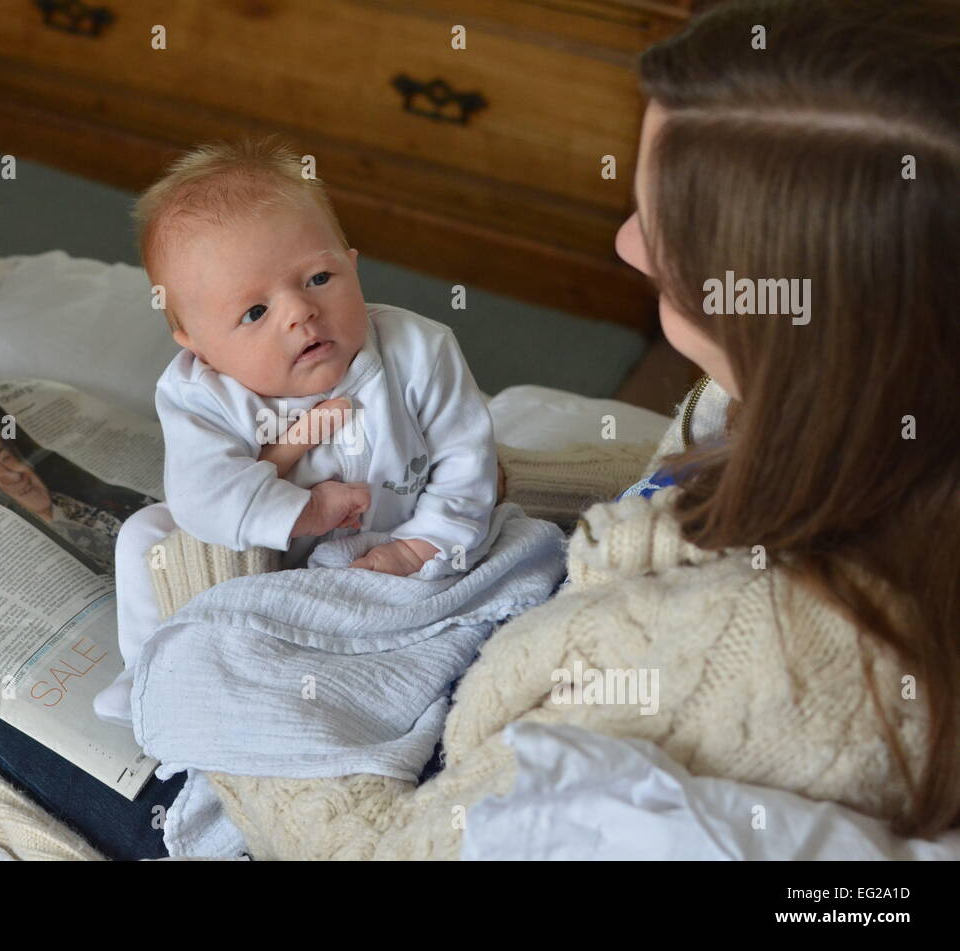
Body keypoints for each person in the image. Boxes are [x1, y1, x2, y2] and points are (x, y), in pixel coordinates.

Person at [113, 0, 960, 857]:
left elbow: (388, 848)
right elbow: (663, 483)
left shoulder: (732, 668)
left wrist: (206, 578)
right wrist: (490, 481)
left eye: (662, 224)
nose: (628, 243)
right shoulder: (812, 403)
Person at [92, 137, 505, 728]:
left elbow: (467, 462)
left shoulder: (419, 351)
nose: (299, 311)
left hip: (397, 534)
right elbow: (203, 495)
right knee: (143, 538)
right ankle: (154, 664)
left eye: (317, 277)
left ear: (353, 263)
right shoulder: (201, 394)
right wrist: (306, 513)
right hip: (267, 551)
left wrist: (419, 546)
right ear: (198, 345)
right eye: (254, 313)